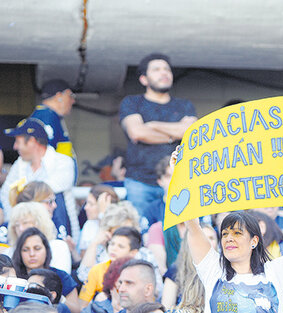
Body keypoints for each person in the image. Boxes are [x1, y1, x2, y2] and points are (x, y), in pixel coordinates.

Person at [186, 207, 283, 313]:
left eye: (237, 233)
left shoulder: (276, 272)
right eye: (225, 234)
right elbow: (193, 227)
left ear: (254, 241)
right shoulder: (214, 270)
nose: (229, 238)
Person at [119, 53, 197, 214]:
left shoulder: (184, 105)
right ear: (144, 79)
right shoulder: (132, 102)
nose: (164, 73)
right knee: (140, 232)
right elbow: (137, 132)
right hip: (139, 182)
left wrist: (154, 125)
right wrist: (174, 134)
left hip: (177, 181)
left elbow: (190, 132)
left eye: (167, 69)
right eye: (156, 70)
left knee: (179, 233)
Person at [1, 118, 79, 242]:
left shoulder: (63, 161)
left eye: (18, 141)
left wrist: (20, 193)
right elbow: (6, 193)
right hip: (24, 231)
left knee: (53, 196)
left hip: (58, 233)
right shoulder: (20, 163)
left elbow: (43, 192)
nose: (15, 147)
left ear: (32, 141)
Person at [11, 227, 79, 313]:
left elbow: (76, 310)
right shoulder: (14, 277)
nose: (32, 254)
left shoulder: (61, 276)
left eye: (37, 248)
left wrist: (56, 297)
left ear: (46, 249)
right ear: (19, 253)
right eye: (25, 250)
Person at [79, 227, 141, 309]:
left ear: (133, 253)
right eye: (112, 244)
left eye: (121, 246)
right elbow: (82, 305)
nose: (114, 249)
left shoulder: (140, 271)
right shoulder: (97, 270)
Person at [161, 225, 218, 312]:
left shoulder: (223, 269)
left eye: (211, 238)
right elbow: (166, 307)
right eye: (203, 238)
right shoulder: (176, 270)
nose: (207, 242)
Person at [7, 201, 71, 274]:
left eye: (25, 223)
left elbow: (59, 279)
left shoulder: (58, 246)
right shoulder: (9, 252)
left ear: (39, 223)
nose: (21, 228)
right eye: (17, 225)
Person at [31, 79, 76, 160]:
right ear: (59, 97)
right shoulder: (46, 118)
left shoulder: (49, 116)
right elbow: (41, 157)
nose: (73, 101)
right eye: (70, 96)